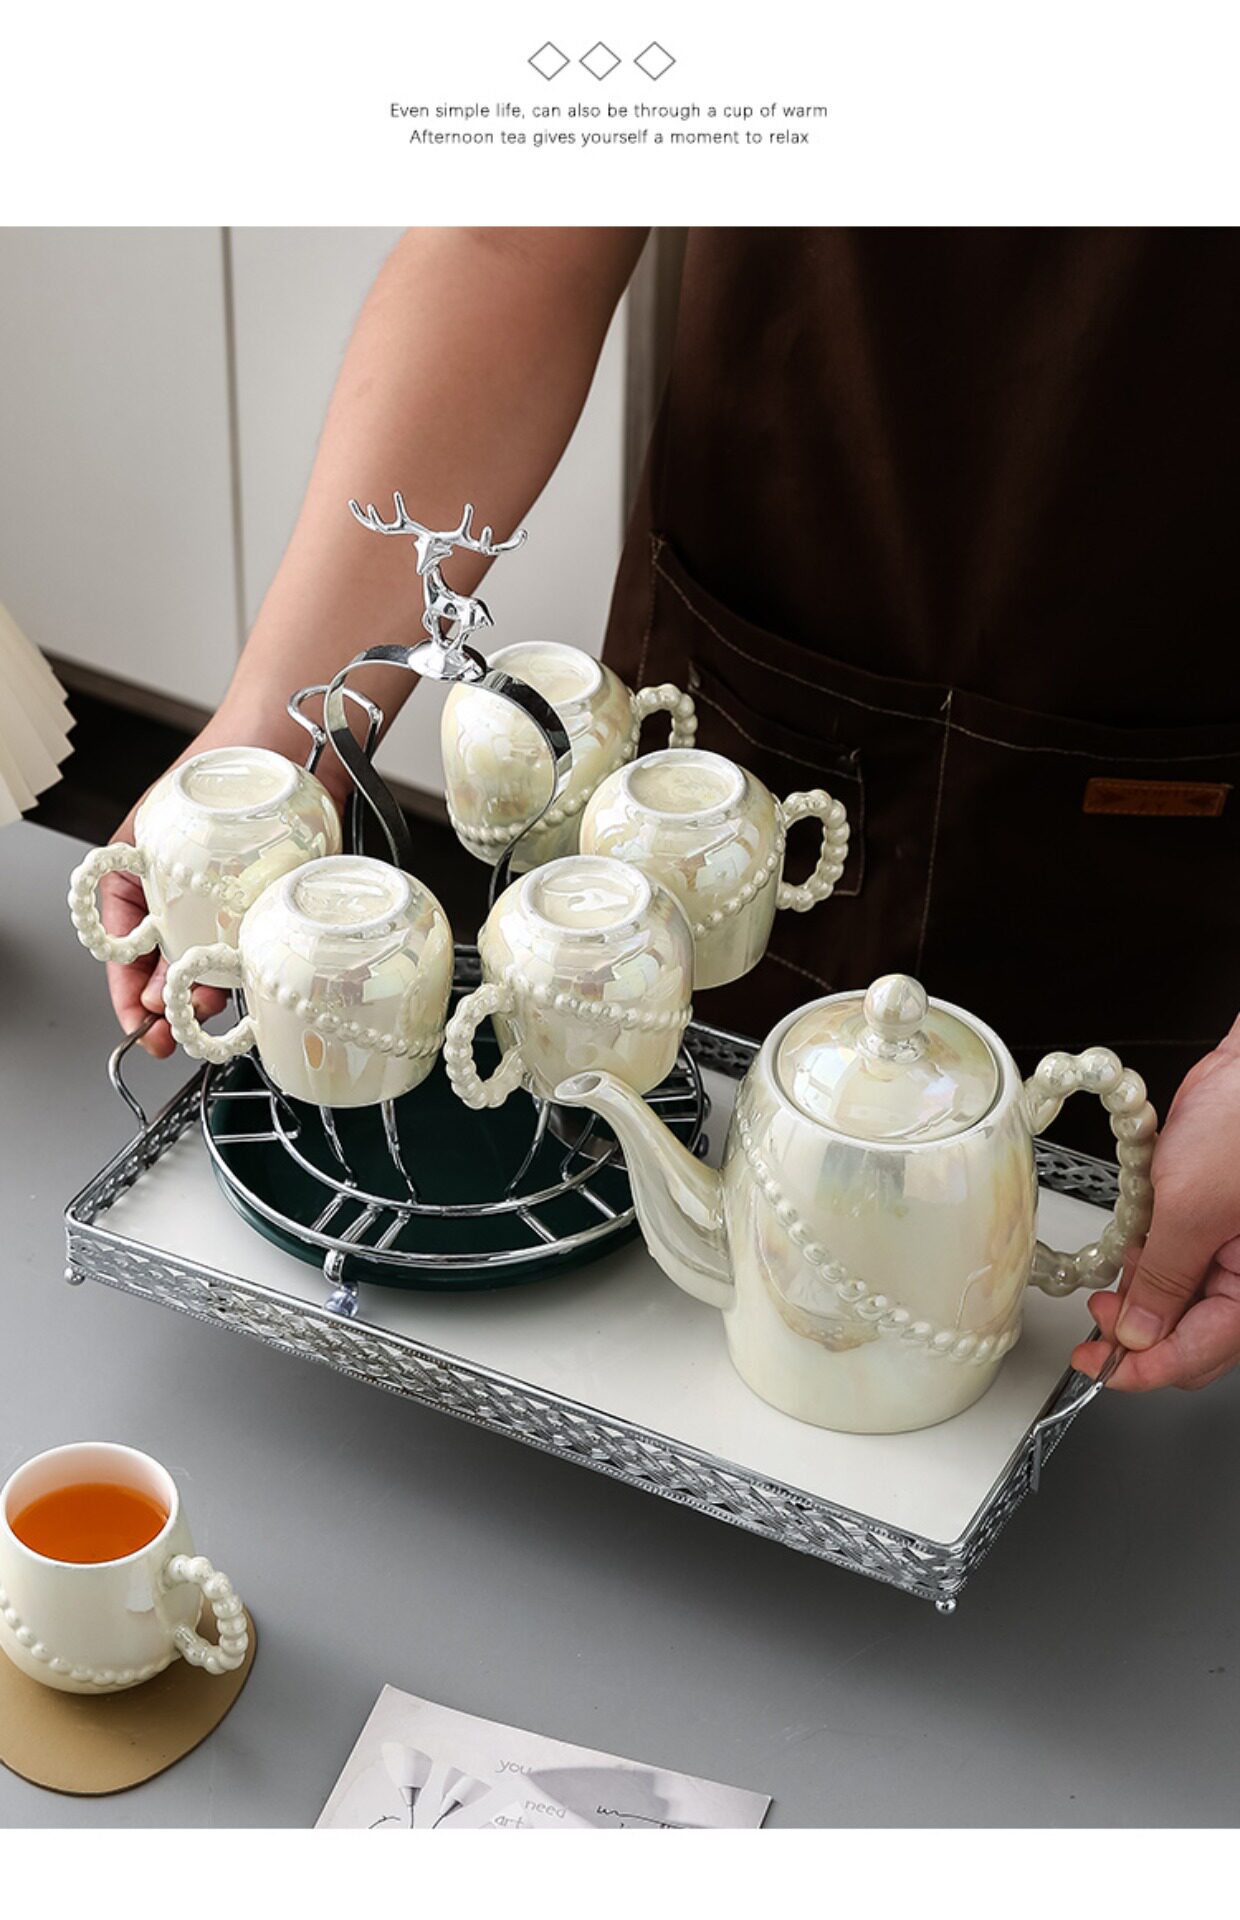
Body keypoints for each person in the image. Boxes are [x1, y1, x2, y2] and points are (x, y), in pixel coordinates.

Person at [96, 227, 1240, 1395]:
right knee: (640, 1149)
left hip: (1158, 852)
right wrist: (269, 740)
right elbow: (510, 242)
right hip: (744, 709)